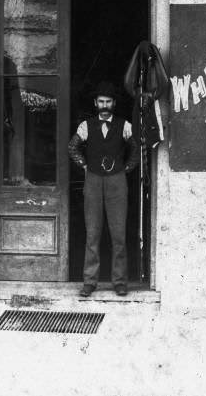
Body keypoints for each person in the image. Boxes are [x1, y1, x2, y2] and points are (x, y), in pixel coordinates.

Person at [67, 81, 140, 297]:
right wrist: (84, 165)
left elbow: (136, 148)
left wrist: (126, 168)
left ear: (114, 103)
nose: (105, 105)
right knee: (93, 233)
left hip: (117, 182)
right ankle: (89, 282)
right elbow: (72, 148)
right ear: (95, 103)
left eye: (108, 101)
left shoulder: (124, 125)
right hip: (93, 181)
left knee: (118, 234)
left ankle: (120, 282)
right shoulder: (86, 126)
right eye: (101, 101)